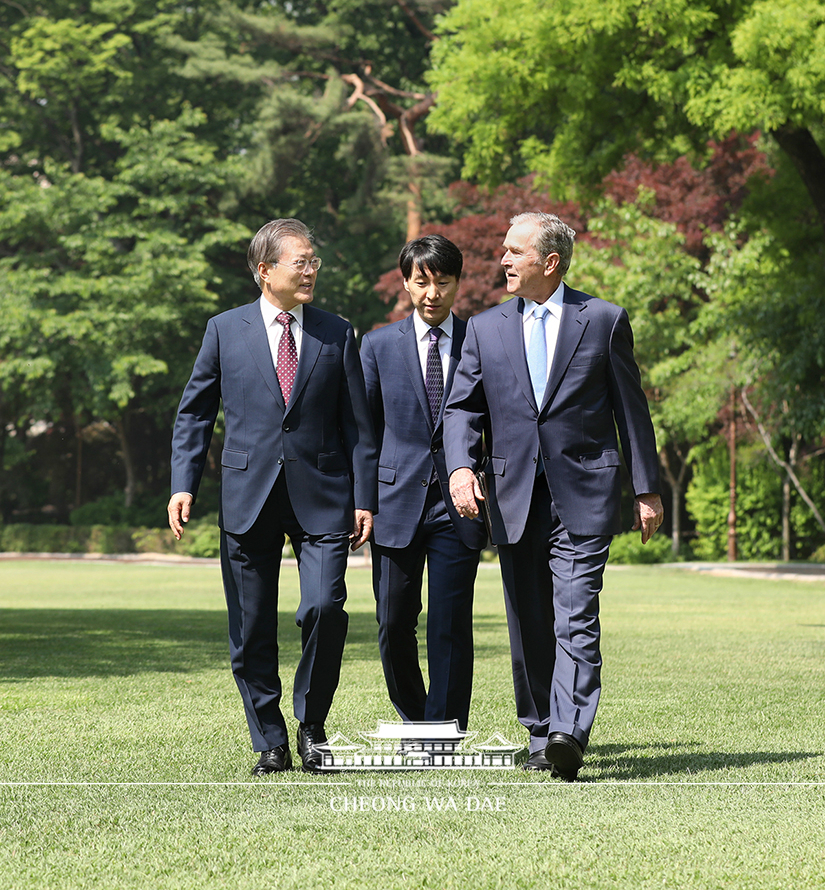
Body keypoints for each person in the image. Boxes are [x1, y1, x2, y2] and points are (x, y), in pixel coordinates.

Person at [443, 212, 663, 779]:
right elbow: (462, 407)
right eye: (503, 250)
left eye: (515, 251)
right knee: (529, 621)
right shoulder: (484, 328)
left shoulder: (605, 321)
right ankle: (540, 729)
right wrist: (461, 469)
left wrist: (647, 489)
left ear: (551, 262)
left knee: (575, 614)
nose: (503, 260)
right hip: (512, 495)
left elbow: (630, 411)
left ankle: (569, 730)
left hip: (586, 490)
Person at [168, 218, 377, 775]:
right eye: (299, 262)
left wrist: (364, 497)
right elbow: (195, 413)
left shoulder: (337, 332)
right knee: (252, 626)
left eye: (313, 261)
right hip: (247, 494)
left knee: (325, 608)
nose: (310, 270)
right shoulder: (224, 329)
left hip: (324, 495)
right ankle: (269, 739)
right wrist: (183, 483)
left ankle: (312, 725)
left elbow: (357, 425)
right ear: (265, 271)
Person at [360, 235, 486, 730]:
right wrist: (361, 502)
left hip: (461, 505)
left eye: (443, 281)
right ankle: (416, 718)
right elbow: (364, 434)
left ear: (458, 283)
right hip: (394, 503)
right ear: (407, 282)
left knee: (450, 627)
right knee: (393, 623)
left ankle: (442, 731)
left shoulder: (483, 339)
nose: (432, 292)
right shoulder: (376, 345)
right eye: (422, 281)